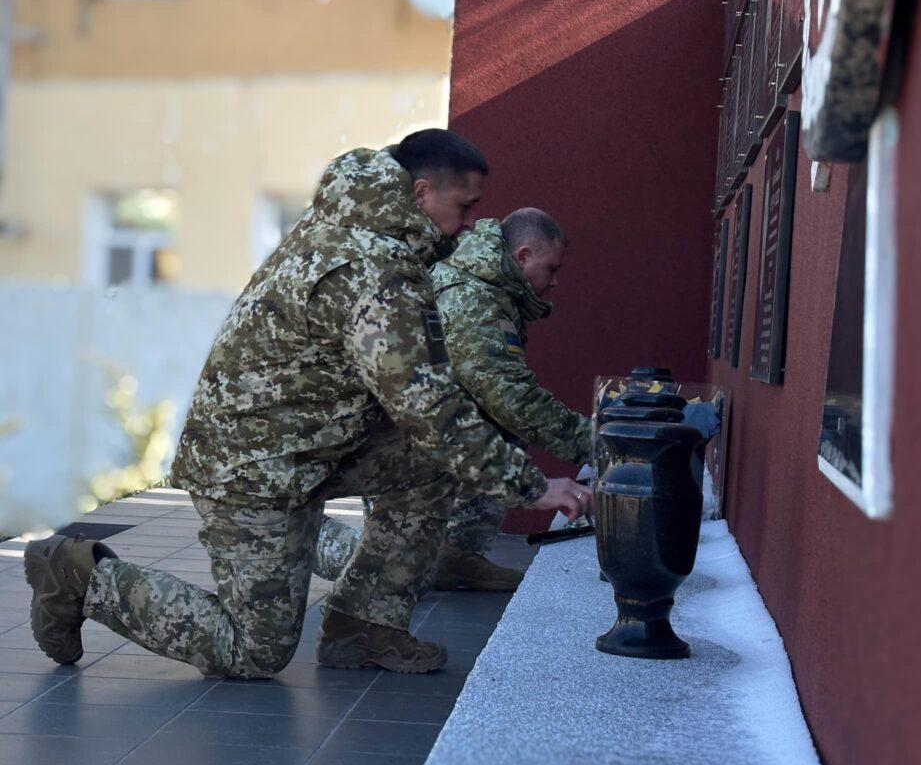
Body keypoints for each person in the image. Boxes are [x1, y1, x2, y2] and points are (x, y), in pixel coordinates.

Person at [24, 129, 592, 678]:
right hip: (252, 465)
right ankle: (78, 574)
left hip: (313, 444)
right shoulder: (374, 266)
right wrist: (535, 488)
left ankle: (364, 627)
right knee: (254, 652)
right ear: (420, 195)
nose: (471, 222)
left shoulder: (363, 230)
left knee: (428, 465)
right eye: (464, 206)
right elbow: (428, 406)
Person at [312, 209, 591, 591]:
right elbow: (510, 397)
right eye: (551, 269)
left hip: (423, 432)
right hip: (381, 440)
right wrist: (593, 444)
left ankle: (458, 555)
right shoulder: (472, 298)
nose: (555, 282)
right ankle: (289, 532)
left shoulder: (491, 287)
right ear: (523, 256)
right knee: (397, 579)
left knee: (494, 429)